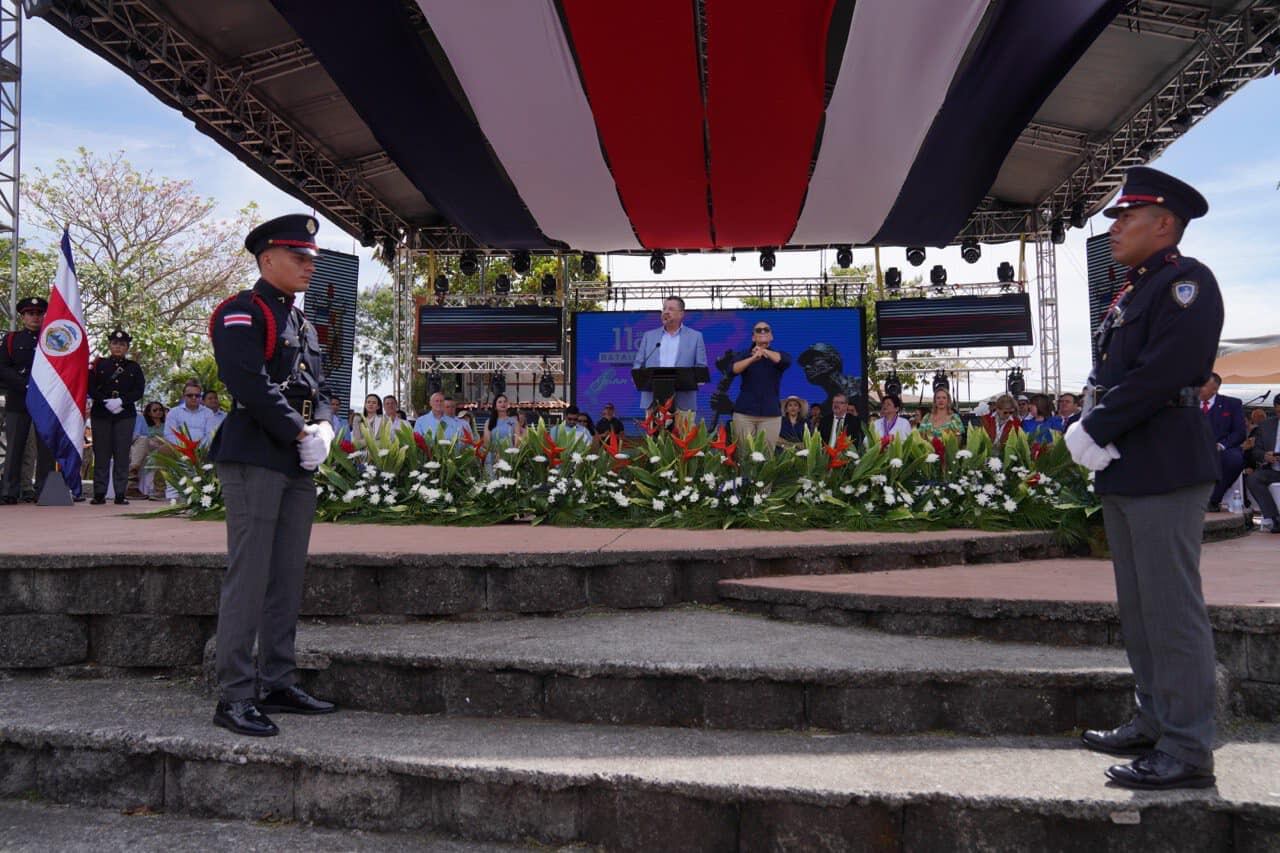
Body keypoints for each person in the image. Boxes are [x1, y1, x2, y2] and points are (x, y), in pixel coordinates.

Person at [1068, 167, 1220, 790]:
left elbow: (1166, 372)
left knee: (1171, 611)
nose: (1115, 225)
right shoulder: (1133, 290)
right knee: (1138, 609)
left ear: (1164, 223)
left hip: (1163, 463)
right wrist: (1094, 419)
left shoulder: (1187, 284)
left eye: (1127, 216)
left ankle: (1186, 748)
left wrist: (1098, 425)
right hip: (1130, 466)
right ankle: (1154, 719)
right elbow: (1117, 371)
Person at [208, 213, 338, 737]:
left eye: (311, 257)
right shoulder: (244, 311)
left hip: (295, 459)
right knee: (251, 573)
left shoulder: (302, 324)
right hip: (256, 454)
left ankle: (278, 681)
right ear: (266, 259)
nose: (309, 264)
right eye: (298, 256)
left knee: (286, 574)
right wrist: (297, 432)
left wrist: (326, 430)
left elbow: (322, 390)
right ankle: (235, 695)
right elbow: (245, 378)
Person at [0, 297, 55, 504]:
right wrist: (25, 385)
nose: (35, 317)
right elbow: (3, 367)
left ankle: (44, 490)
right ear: (22, 317)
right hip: (19, 398)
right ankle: (9, 491)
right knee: (14, 446)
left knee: (46, 448)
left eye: (39, 313)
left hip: (46, 401)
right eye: (30, 313)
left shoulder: (52, 339)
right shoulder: (12, 339)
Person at [87, 328, 145, 505]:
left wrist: (121, 401)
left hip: (124, 414)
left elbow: (138, 390)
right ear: (109, 345)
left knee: (122, 454)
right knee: (102, 453)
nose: (118, 347)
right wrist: (105, 400)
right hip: (101, 413)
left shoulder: (134, 367)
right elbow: (90, 386)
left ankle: (120, 493)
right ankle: (99, 493)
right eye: (115, 343)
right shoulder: (98, 365)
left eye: (122, 344)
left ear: (127, 347)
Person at [632, 295, 707, 413]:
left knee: (683, 432)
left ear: (681, 314)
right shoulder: (649, 336)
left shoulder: (695, 336)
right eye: (664, 309)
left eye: (671, 309)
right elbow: (638, 364)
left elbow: (701, 367)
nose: (666, 312)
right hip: (653, 400)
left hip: (683, 402)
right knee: (655, 432)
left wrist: (694, 379)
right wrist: (637, 376)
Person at [729, 320, 791, 446]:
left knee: (767, 457)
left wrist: (764, 351)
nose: (762, 331)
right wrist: (752, 358)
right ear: (753, 337)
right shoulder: (743, 354)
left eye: (766, 330)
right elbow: (733, 369)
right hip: (744, 414)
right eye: (758, 330)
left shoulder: (778, 355)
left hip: (771, 415)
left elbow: (785, 361)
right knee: (745, 455)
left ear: (771, 336)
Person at [1198, 373, 1246, 512]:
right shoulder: (1189, 404)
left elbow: (1239, 432)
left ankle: (1213, 499)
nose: (1199, 388)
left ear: (1215, 388)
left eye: (1204, 385)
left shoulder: (1231, 404)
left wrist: (1221, 445)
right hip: (1194, 447)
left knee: (1234, 460)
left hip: (1222, 447)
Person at [797, 342, 862, 419]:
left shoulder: (861, 385)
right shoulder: (824, 410)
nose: (806, 367)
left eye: (814, 360)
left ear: (832, 361)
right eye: (805, 364)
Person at [1244, 412, 1280, 533]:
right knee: (1253, 479)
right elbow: (1256, 451)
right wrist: (1265, 456)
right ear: (1275, 409)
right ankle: (1274, 517)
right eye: (1279, 412)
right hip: (1274, 470)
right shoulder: (1266, 425)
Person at [130, 401, 167, 500]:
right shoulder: (144, 424)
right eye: (155, 410)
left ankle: (158, 489)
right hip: (148, 450)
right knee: (146, 443)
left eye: (160, 410)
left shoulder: (167, 424)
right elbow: (140, 438)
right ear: (149, 413)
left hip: (163, 449)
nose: (158, 412)